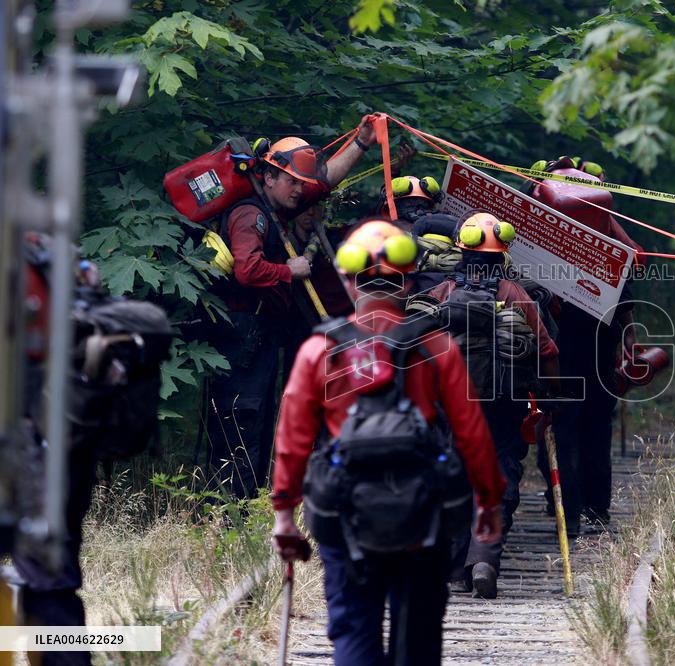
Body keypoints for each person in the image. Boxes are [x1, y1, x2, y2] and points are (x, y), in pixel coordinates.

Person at [270, 219, 505, 665]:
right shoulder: (437, 348)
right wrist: (488, 505)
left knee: (354, 630)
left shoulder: (320, 351)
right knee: (417, 641)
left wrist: (285, 515)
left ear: (346, 279)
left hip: (344, 512)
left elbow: (293, 439)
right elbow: (472, 433)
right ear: (410, 276)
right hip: (424, 514)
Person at [15, 234, 172, 666]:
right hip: (71, 437)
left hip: (23, 442)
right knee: (53, 583)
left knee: (46, 584)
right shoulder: (53, 252)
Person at [205, 120, 375, 499]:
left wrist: (362, 143)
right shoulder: (252, 215)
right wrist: (289, 270)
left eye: (302, 184)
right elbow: (247, 270)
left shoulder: (275, 209)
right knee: (241, 422)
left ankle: (245, 509)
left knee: (258, 423)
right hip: (240, 338)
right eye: (291, 182)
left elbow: (323, 180)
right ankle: (228, 511)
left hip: (258, 338)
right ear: (267, 176)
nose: (300, 191)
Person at [423, 211, 560, 599]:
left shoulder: (444, 293)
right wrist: (553, 396)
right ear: (502, 254)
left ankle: (452, 566)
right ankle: (483, 559)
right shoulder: (514, 294)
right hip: (503, 403)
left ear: (460, 251)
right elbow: (547, 350)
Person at [527, 156, 643, 532]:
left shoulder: (538, 255)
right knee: (596, 426)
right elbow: (628, 292)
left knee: (560, 426)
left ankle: (569, 510)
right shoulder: (611, 247)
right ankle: (596, 509)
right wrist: (629, 335)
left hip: (560, 357)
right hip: (598, 354)